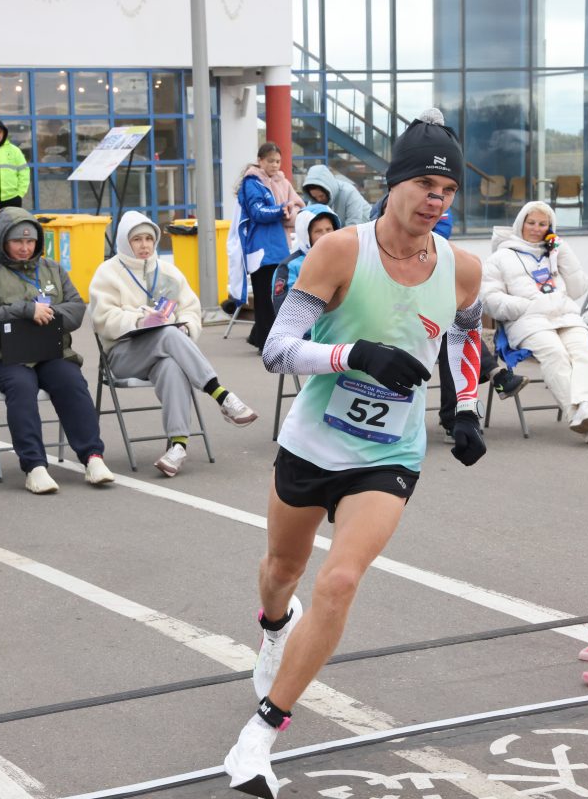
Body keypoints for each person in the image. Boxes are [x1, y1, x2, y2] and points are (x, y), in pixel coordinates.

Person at [224, 109, 487, 797]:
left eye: (448, 191)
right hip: (313, 442)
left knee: (339, 581)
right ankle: (274, 628)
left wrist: (465, 409)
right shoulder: (340, 250)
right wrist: (354, 354)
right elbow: (277, 349)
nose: (436, 200)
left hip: (390, 451)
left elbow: (465, 336)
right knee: (282, 572)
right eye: (426, 185)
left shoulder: (462, 268)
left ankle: (260, 735)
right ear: (394, 182)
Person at [90, 211, 259, 477]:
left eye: (149, 238)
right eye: (137, 239)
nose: (144, 245)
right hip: (123, 354)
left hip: (164, 351)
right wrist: (140, 320)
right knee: (167, 335)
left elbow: (190, 309)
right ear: (124, 242)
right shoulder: (108, 273)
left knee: (171, 365)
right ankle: (220, 394)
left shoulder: (167, 271)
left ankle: (177, 446)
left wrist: (185, 327)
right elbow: (102, 319)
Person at [0, 208, 116, 493]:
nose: (25, 247)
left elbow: (76, 309)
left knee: (71, 381)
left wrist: (48, 313)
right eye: (17, 241)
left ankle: (93, 457)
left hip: (49, 352)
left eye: (30, 241)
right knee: (22, 385)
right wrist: (24, 311)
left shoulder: (52, 268)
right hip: (2, 357)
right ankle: (34, 466)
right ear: (1, 241)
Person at [370, 194, 528, 435]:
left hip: (424, 323)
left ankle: (456, 416)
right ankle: (492, 377)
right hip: (387, 324)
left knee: (450, 332)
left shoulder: (435, 256)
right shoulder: (369, 252)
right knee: (450, 331)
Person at [482, 200, 588, 443]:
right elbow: (489, 299)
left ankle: (587, 408)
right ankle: (578, 415)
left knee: (583, 349)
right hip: (527, 320)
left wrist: (563, 252)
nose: (536, 229)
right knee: (555, 353)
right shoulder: (501, 256)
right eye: (531, 223)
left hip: (564, 315)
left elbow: (577, 289)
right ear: (521, 224)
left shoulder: (555, 252)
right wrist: (526, 306)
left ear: (550, 227)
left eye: (543, 224)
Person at [236, 143, 297, 351]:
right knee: (264, 299)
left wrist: (289, 210)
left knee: (274, 298)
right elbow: (257, 212)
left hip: (278, 247)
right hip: (261, 250)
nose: (275, 165)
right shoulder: (252, 182)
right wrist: (281, 210)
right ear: (260, 160)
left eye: (278, 161)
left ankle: (259, 337)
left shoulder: (280, 181)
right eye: (270, 161)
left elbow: (297, 205)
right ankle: (265, 343)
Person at [271, 203, 341, 316]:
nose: (326, 235)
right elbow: (285, 311)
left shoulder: (344, 260)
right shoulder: (289, 267)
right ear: (306, 235)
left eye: (329, 229)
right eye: (318, 231)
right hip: (310, 327)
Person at [299, 164, 371, 228]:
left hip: (364, 229)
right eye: (315, 197)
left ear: (328, 191)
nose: (319, 200)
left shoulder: (349, 192)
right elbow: (310, 219)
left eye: (321, 196)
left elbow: (353, 224)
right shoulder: (315, 201)